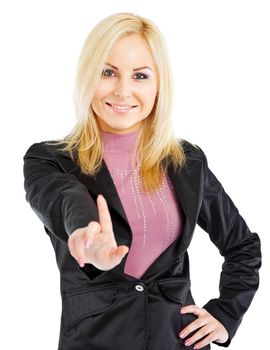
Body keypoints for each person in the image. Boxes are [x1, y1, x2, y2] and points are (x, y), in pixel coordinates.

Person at [23, 12, 261, 350]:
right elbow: (65, 198)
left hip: (177, 341)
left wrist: (226, 313)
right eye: (108, 72)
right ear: (88, 75)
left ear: (158, 84)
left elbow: (243, 246)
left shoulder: (187, 162)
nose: (123, 91)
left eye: (140, 75)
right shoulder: (50, 159)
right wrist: (84, 232)